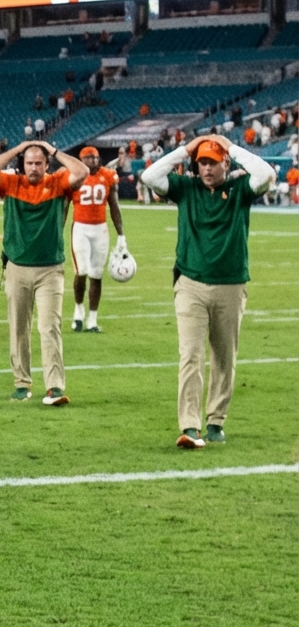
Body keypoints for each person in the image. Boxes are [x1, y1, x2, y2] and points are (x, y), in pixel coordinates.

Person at [140, 135, 275, 448]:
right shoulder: (186, 190)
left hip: (231, 284)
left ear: (225, 163)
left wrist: (230, 146)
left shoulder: (240, 190)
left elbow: (266, 174)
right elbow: (150, 176)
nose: (207, 168)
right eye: (202, 162)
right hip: (191, 284)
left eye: (213, 162)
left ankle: (216, 420)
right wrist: (186, 149)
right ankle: (190, 426)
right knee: (190, 355)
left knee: (224, 358)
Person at [0, 141, 87, 405]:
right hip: (17, 267)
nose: (34, 168)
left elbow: (82, 172)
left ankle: (55, 387)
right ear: (22, 165)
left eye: (39, 163)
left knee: (50, 327)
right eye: (29, 163)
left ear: (47, 164)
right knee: (19, 328)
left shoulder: (59, 182)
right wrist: (18, 149)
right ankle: (21, 383)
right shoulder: (12, 184)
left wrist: (54, 150)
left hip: (50, 268)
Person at [66, 146, 125, 333]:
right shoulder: (74, 176)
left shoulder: (108, 175)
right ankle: (78, 311)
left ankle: (92, 319)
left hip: (100, 229)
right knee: (81, 271)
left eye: (96, 157)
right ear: (81, 160)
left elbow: (114, 206)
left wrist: (121, 235)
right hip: (80, 228)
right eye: (89, 157)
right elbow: (64, 206)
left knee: (97, 275)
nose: (93, 160)